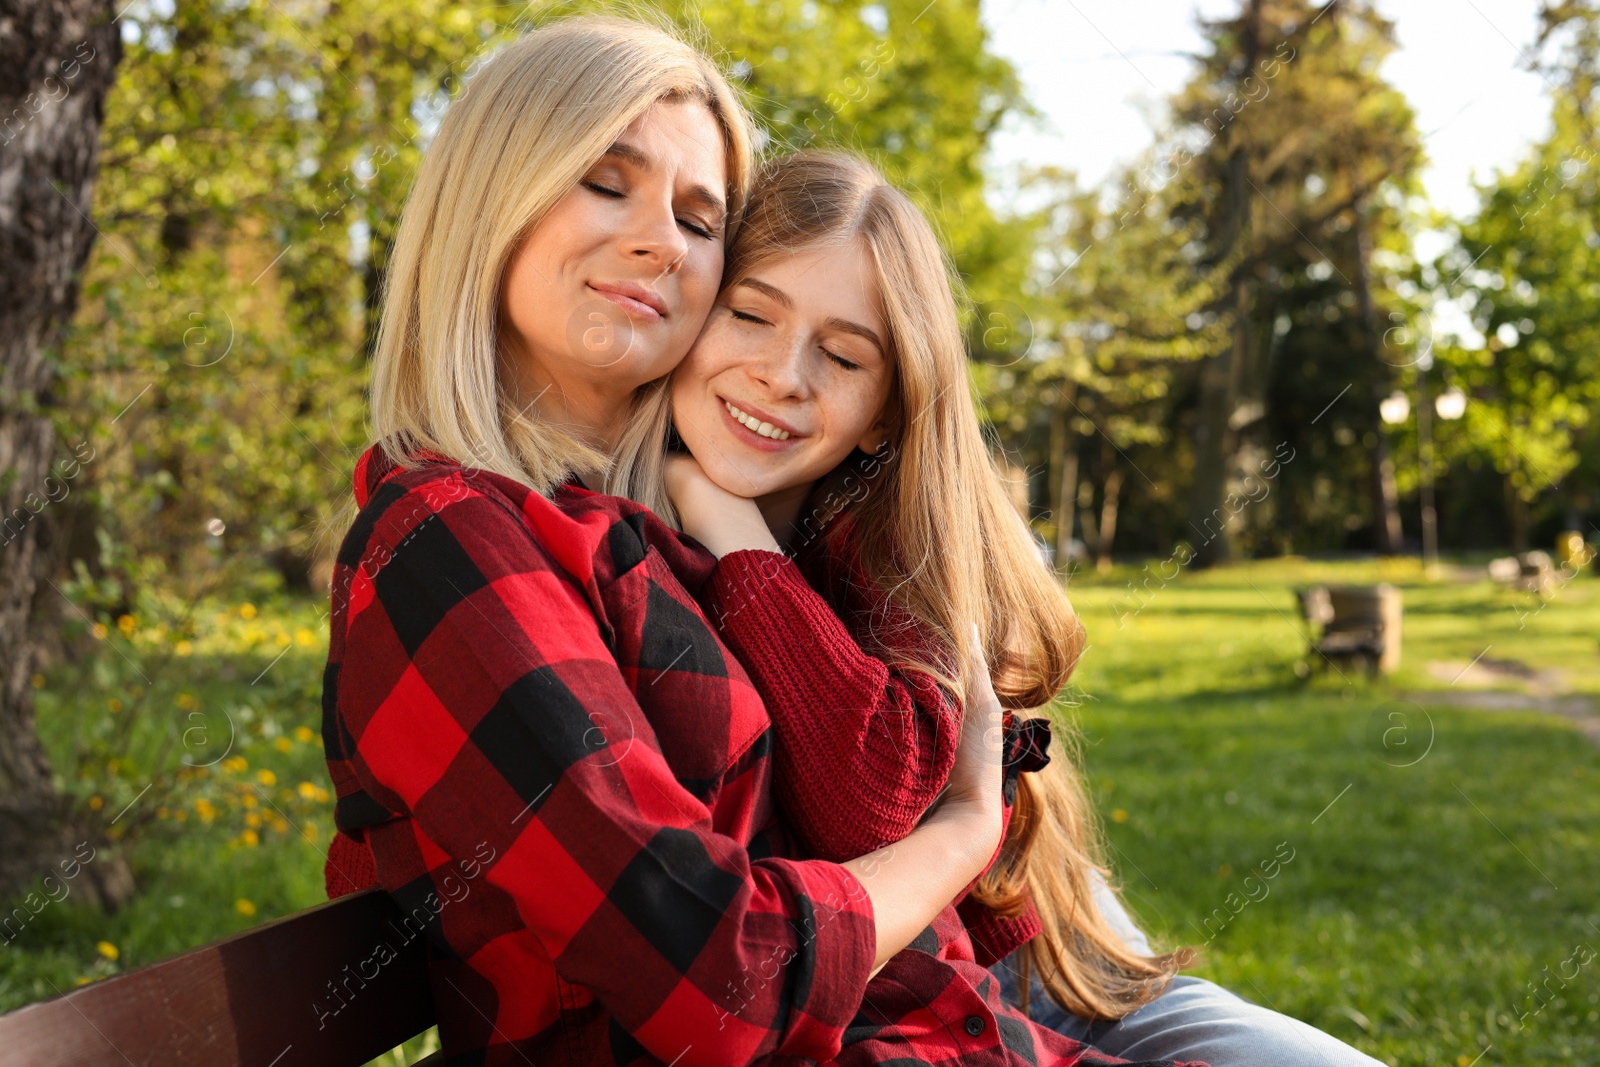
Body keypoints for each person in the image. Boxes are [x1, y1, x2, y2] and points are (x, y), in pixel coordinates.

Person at [320, 14, 1199, 1067]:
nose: (660, 239)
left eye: (699, 219)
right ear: (489, 195)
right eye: (608, 181)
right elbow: (720, 977)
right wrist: (961, 831)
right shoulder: (444, 539)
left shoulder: (669, 524)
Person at [661, 151, 1389, 1067]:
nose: (781, 373)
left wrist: (734, 530)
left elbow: (869, 801)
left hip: (1034, 952)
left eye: (844, 355)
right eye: (752, 314)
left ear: (885, 414)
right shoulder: (617, 532)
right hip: (911, 984)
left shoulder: (893, 540)